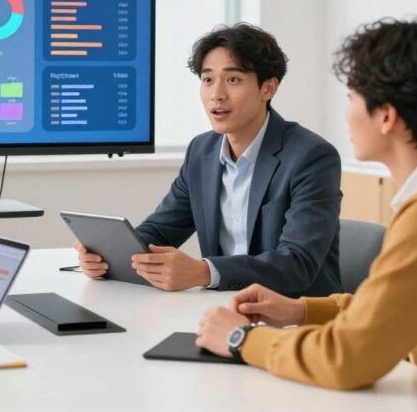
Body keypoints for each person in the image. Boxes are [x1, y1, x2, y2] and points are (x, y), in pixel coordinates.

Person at [195, 18, 417, 410]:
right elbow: (398, 305)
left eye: (351, 98)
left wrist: (241, 339)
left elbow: (348, 359)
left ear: (386, 116)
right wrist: (303, 309)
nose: (346, 115)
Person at [75, 23, 342, 295]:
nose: (217, 94)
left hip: (293, 318)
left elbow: (297, 264)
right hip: (220, 308)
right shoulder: (202, 151)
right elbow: (160, 230)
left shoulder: (311, 156)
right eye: (207, 80)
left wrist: (203, 272)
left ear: (268, 89)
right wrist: (107, 255)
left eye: (233, 79)